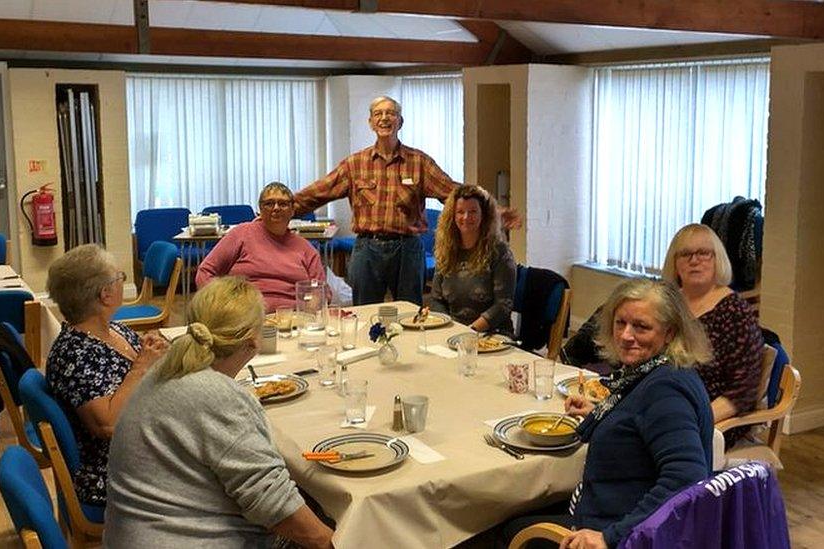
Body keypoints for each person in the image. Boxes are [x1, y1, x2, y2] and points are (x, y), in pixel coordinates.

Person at [105, 277, 334, 548]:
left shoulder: (167, 367)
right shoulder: (214, 394)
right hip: (180, 538)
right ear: (253, 342)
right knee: (343, 522)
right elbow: (271, 502)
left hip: (139, 531)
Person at [503, 278, 713, 549]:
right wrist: (603, 413)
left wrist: (611, 536)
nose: (626, 335)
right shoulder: (653, 371)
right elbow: (640, 421)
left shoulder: (666, 390)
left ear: (669, 333)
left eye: (641, 327)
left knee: (505, 529)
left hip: (621, 531)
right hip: (610, 509)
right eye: (620, 323)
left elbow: (686, 477)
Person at [292, 95, 520, 306]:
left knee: (409, 314)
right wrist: (283, 208)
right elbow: (318, 192)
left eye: (391, 113)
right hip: (367, 248)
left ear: (400, 122)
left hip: (407, 248)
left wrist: (494, 209)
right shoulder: (355, 164)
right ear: (371, 122)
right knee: (363, 312)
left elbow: (454, 192)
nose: (384, 118)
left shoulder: (419, 162)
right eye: (378, 114)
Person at [45, 244, 169, 506]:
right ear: (105, 294)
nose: (122, 282)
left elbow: (137, 363)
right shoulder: (75, 353)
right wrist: (141, 367)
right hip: (117, 472)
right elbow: (109, 425)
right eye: (119, 278)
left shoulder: (112, 330)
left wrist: (151, 351)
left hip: (143, 444)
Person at [661, 223, 764, 448]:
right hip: (665, 407)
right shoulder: (667, 305)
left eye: (703, 253)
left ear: (717, 260)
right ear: (675, 264)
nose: (694, 260)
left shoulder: (735, 312)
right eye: (685, 254)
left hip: (711, 419)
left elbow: (743, 391)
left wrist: (695, 420)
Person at [196, 182, 327, 312]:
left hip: (292, 318)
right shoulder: (241, 234)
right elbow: (205, 272)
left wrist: (312, 305)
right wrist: (223, 303)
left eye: (283, 204)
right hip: (245, 316)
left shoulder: (306, 249)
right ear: (259, 209)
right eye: (269, 203)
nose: (276, 208)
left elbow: (322, 289)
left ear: (293, 210)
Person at [428, 185, 515, 334]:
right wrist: (448, 330)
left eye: (473, 211)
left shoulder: (499, 251)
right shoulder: (447, 249)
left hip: (492, 335)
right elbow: (436, 299)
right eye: (460, 212)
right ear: (453, 216)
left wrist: (469, 332)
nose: (466, 217)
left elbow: (503, 305)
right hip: (453, 332)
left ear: (484, 215)